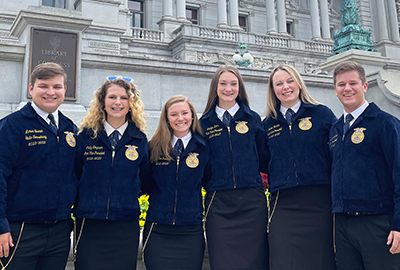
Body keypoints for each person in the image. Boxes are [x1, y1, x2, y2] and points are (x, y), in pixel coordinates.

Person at [0, 62, 77, 270]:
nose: (51, 92)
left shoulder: (70, 128)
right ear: (31, 88)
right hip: (20, 231)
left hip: (60, 232)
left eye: (57, 87)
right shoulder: (12, 125)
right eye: (43, 86)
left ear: (64, 90)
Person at [261, 64, 337, 270]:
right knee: (284, 261)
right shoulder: (267, 124)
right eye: (279, 83)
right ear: (273, 89)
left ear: (299, 84)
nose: (285, 87)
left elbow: (338, 155)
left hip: (319, 201)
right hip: (283, 204)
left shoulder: (322, 114)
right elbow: (262, 160)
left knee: (321, 262)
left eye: (289, 81)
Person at [73, 76, 150, 270]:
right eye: (112, 97)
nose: (118, 102)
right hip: (90, 223)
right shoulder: (86, 137)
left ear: (131, 103)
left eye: (124, 98)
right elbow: (74, 174)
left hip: (125, 224)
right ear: (102, 102)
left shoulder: (139, 140)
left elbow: (145, 179)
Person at [330, 60, 400, 269]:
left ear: (365, 86)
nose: (347, 89)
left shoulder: (385, 123)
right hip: (343, 224)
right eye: (341, 84)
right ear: (335, 90)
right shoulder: (335, 130)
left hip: (378, 223)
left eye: (353, 83)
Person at [200, 65, 268, 270]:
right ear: (215, 87)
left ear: (240, 87)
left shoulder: (253, 119)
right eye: (223, 84)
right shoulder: (203, 123)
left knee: (256, 262)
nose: (228, 89)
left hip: (251, 202)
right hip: (219, 203)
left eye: (233, 84)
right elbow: (202, 164)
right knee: (223, 262)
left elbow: (264, 158)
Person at [142, 95, 210, 270]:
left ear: (192, 116)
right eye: (174, 114)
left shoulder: (204, 148)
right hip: (158, 229)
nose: (180, 118)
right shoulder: (154, 147)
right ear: (166, 119)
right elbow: (145, 182)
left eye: (184, 113)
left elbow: (209, 181)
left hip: (191, 230)